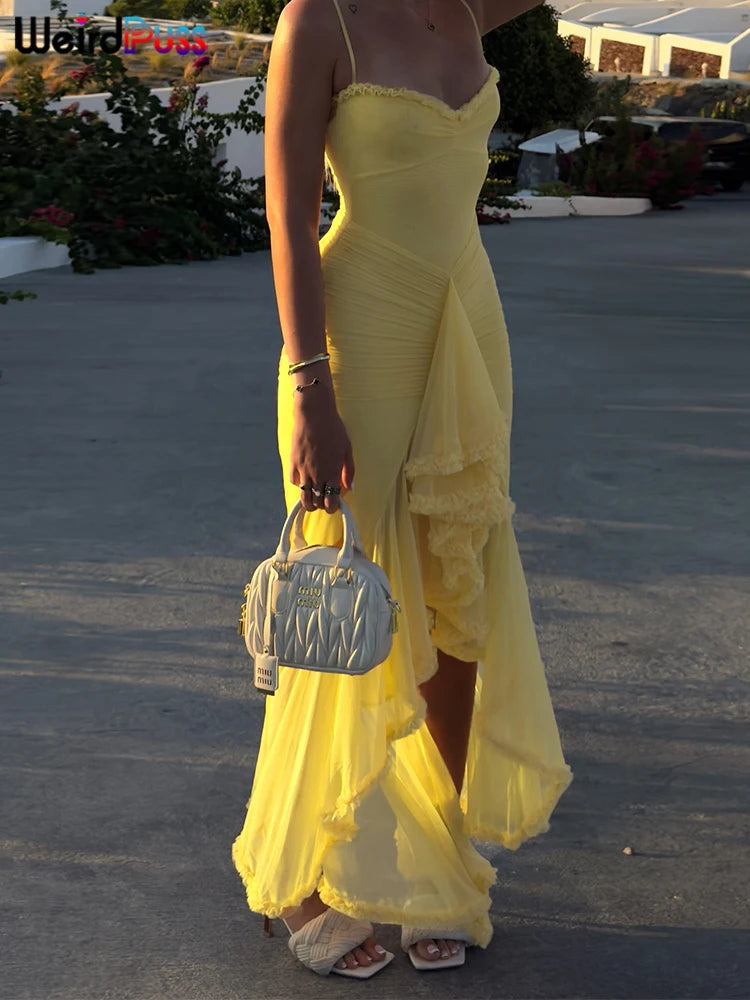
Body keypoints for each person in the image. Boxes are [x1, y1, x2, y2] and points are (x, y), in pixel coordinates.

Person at [232, 0, 574, 978]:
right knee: (343, 598)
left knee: (458, 593)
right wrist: (310, 384)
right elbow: (289, 213)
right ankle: (303, 879)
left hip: (467, 321)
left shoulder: (467, 8)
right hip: (362, 331)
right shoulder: (319, 20)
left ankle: (435, 864)